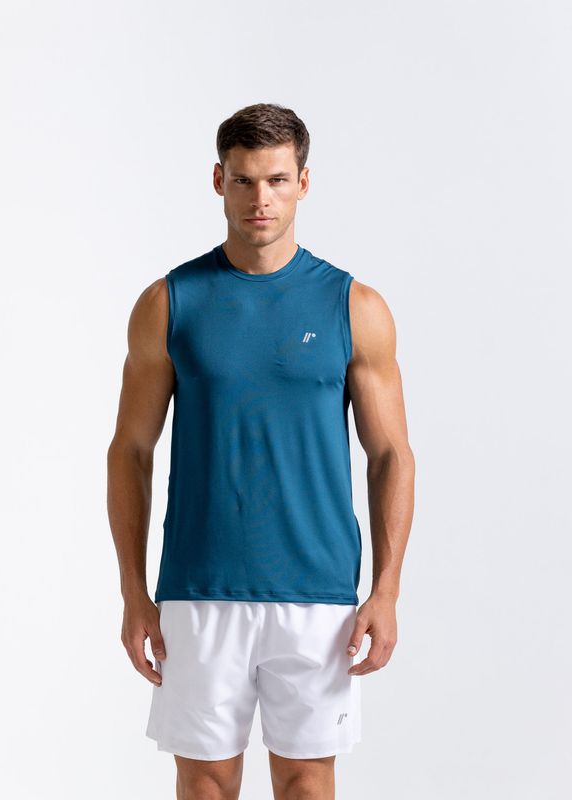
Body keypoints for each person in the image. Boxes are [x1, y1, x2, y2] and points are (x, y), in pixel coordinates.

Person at [107, 102, 415, 800]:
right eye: (244, 180)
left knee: (307, 783)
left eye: (277, 180)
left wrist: (387, 590)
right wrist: (132, 590)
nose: (260, 199)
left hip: (318, 591)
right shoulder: (169, 302)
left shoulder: (354, 306)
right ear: (219, 180)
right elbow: (130, 450)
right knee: (205, 785)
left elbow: (392, 455)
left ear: (303, 182)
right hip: (198, 585)